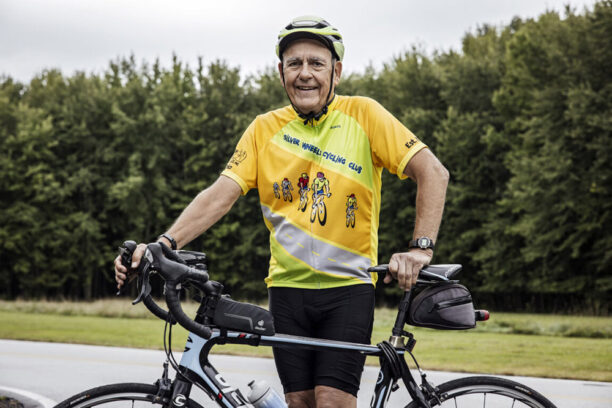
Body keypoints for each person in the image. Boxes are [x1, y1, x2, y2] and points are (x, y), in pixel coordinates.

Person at [115, 15, 449, 408]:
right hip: (287, 293)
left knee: (332, 401)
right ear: (281, 72)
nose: (304, 74)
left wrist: (420, 249)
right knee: (301, 404)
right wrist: (164, 244)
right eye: (295, 63)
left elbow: (433, 172)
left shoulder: (364, 115)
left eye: (316, 63)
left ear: (336, 72)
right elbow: (221, 193)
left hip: (347, 291)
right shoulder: (263, 129)